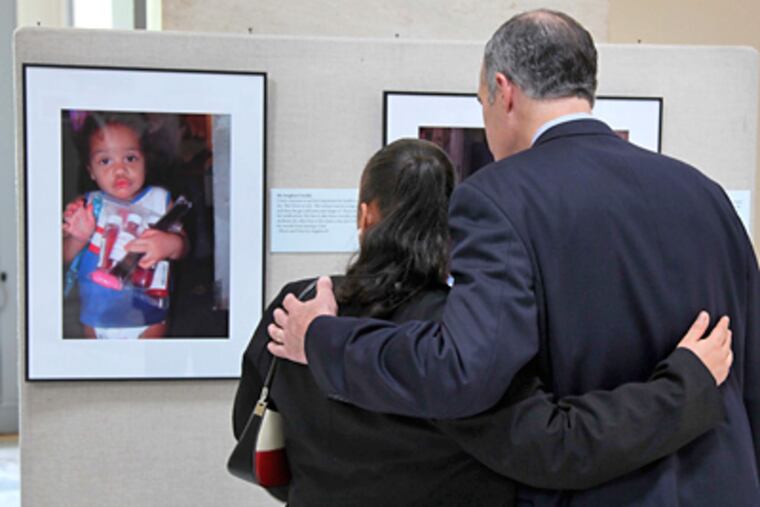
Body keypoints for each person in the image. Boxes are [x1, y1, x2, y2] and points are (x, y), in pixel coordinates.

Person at [268, 9, 760, 506]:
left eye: (481, 102)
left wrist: (321, 339)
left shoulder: (497, 199)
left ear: (503, 91)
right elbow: (752, 374)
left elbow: (463, 373)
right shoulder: (706, 194)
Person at [237, 138, 732, 506]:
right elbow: (555, 448)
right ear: (451, 222)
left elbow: (256, 432)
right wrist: (685, 386)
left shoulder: (297, 307)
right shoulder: (461, 331)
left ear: (365, 215)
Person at [62, 113, 187, 339]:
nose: (120, 170)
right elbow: (64, 257)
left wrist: (171, 243)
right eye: (105, 161)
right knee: (99, 370)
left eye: (130, 158)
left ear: (145, 161)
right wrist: (78, 238)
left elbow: (184, 245)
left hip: (148, 317)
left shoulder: (160, 200)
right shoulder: (89, 206)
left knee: (145, 371)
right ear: (90, 170)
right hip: (96, 318)